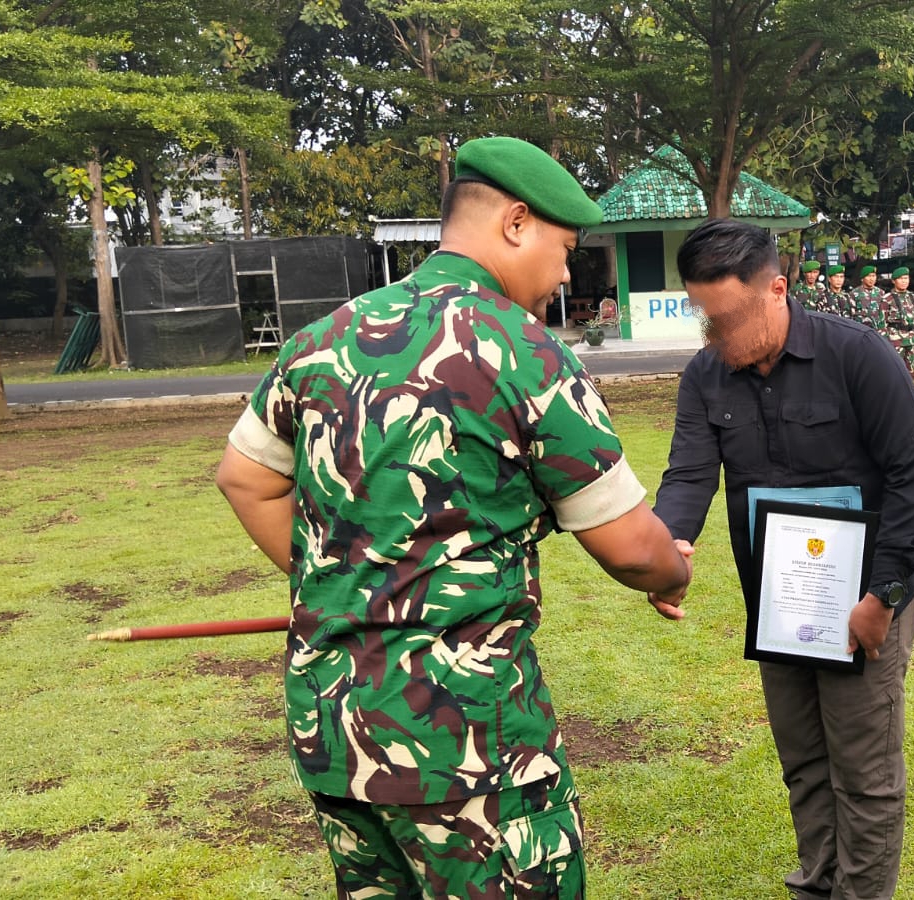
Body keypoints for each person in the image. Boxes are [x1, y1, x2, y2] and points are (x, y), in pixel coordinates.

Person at [213, 136, 693, 900]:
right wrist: (673, 575)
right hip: (466, 748)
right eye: (565, 249)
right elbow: (634, 548)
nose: (566, 274)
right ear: (515, 223)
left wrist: (359, 578)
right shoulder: (524, 353)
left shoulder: (322, 341)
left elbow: (244, 478)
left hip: (333, 733)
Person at [652, 219, 914, 900]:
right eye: (704, 320)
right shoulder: (706, 375)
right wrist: (668, 549)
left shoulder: (859, 356)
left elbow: (913, 475)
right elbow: (689, 472)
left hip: (864, 602)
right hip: (779, 600)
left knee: (864, 770)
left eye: (727, 320)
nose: (715, 337)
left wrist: (883, 597)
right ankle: (819, 881)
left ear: (778, 290)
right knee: (804, 761)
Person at [882, 266, 914, 375]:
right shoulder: (887, 298)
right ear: (893, 281)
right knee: (896, 371)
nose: (904, 281)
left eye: (906, 278)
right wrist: (885, 342)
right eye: (901, 279)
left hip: (911, 339)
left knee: (910, 371)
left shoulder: (913, 297)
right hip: (895, 340)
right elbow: (882, 323)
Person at [849, 265, 886, 330]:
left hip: (877, 330)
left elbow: (883, 313)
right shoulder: (854, 293)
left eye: (873, 276)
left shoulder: (881, 293)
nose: (871, 279)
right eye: (869, 276)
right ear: (862, 278)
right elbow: (851, 314)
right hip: (860, 329)